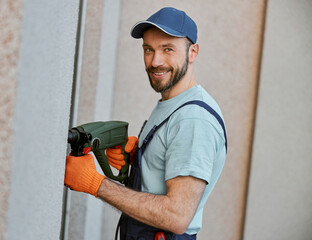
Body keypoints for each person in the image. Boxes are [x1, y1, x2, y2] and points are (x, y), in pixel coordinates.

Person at [64, 7, 227, 240]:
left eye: (167, 49)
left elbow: (176, 216)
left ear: (193, 52)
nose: (155, 61)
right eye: (148, 49)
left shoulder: (192, 120)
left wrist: (95, 183)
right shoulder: (174, 103)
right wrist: (142, 158)